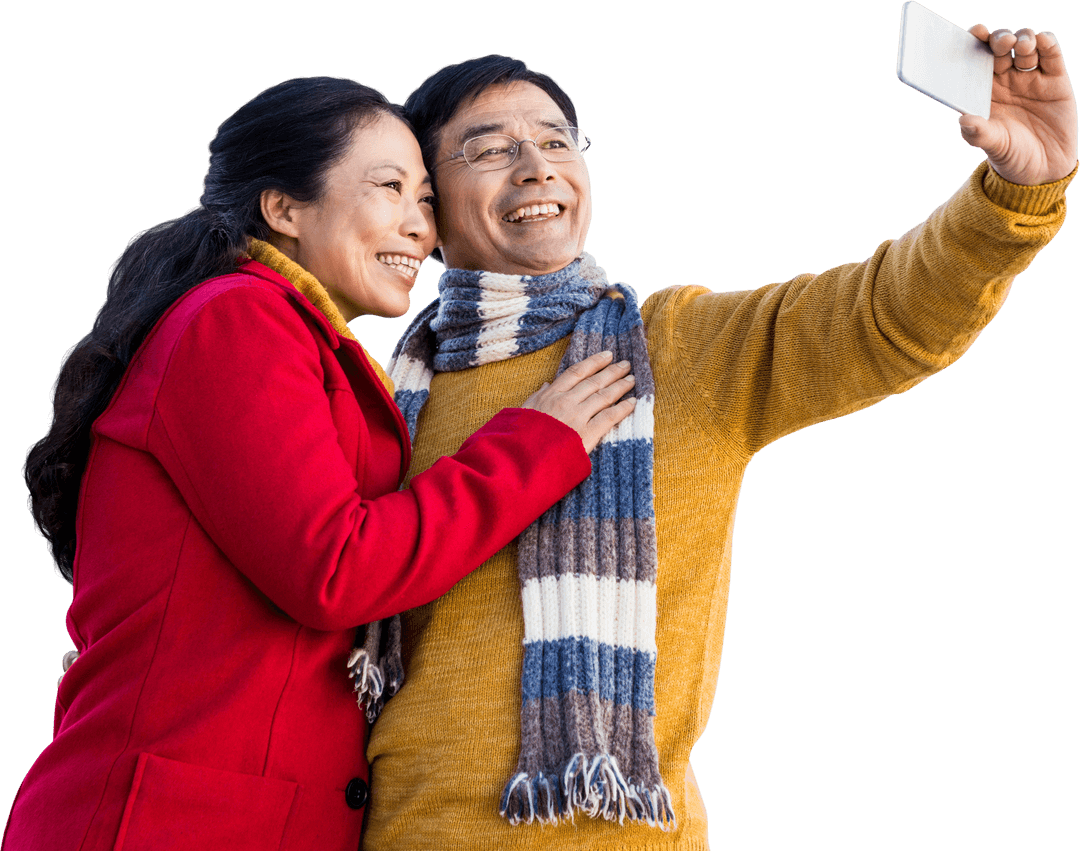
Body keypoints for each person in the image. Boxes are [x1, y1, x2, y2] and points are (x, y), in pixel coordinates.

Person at [359, 26, 1079, 851]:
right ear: (425, 205)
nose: (536, 166)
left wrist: (1015, 191)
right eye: (489, 150)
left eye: (557, 139)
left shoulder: (675, 346)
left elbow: (886, 315)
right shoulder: (387, 396)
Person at [3, 76, 638, 851]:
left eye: (427, 202)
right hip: (169, 823)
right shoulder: (235, 319)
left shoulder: (306, 344)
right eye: (389, 188)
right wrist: (538, 443)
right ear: (285, 209)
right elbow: (336, 565)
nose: (419, 229)